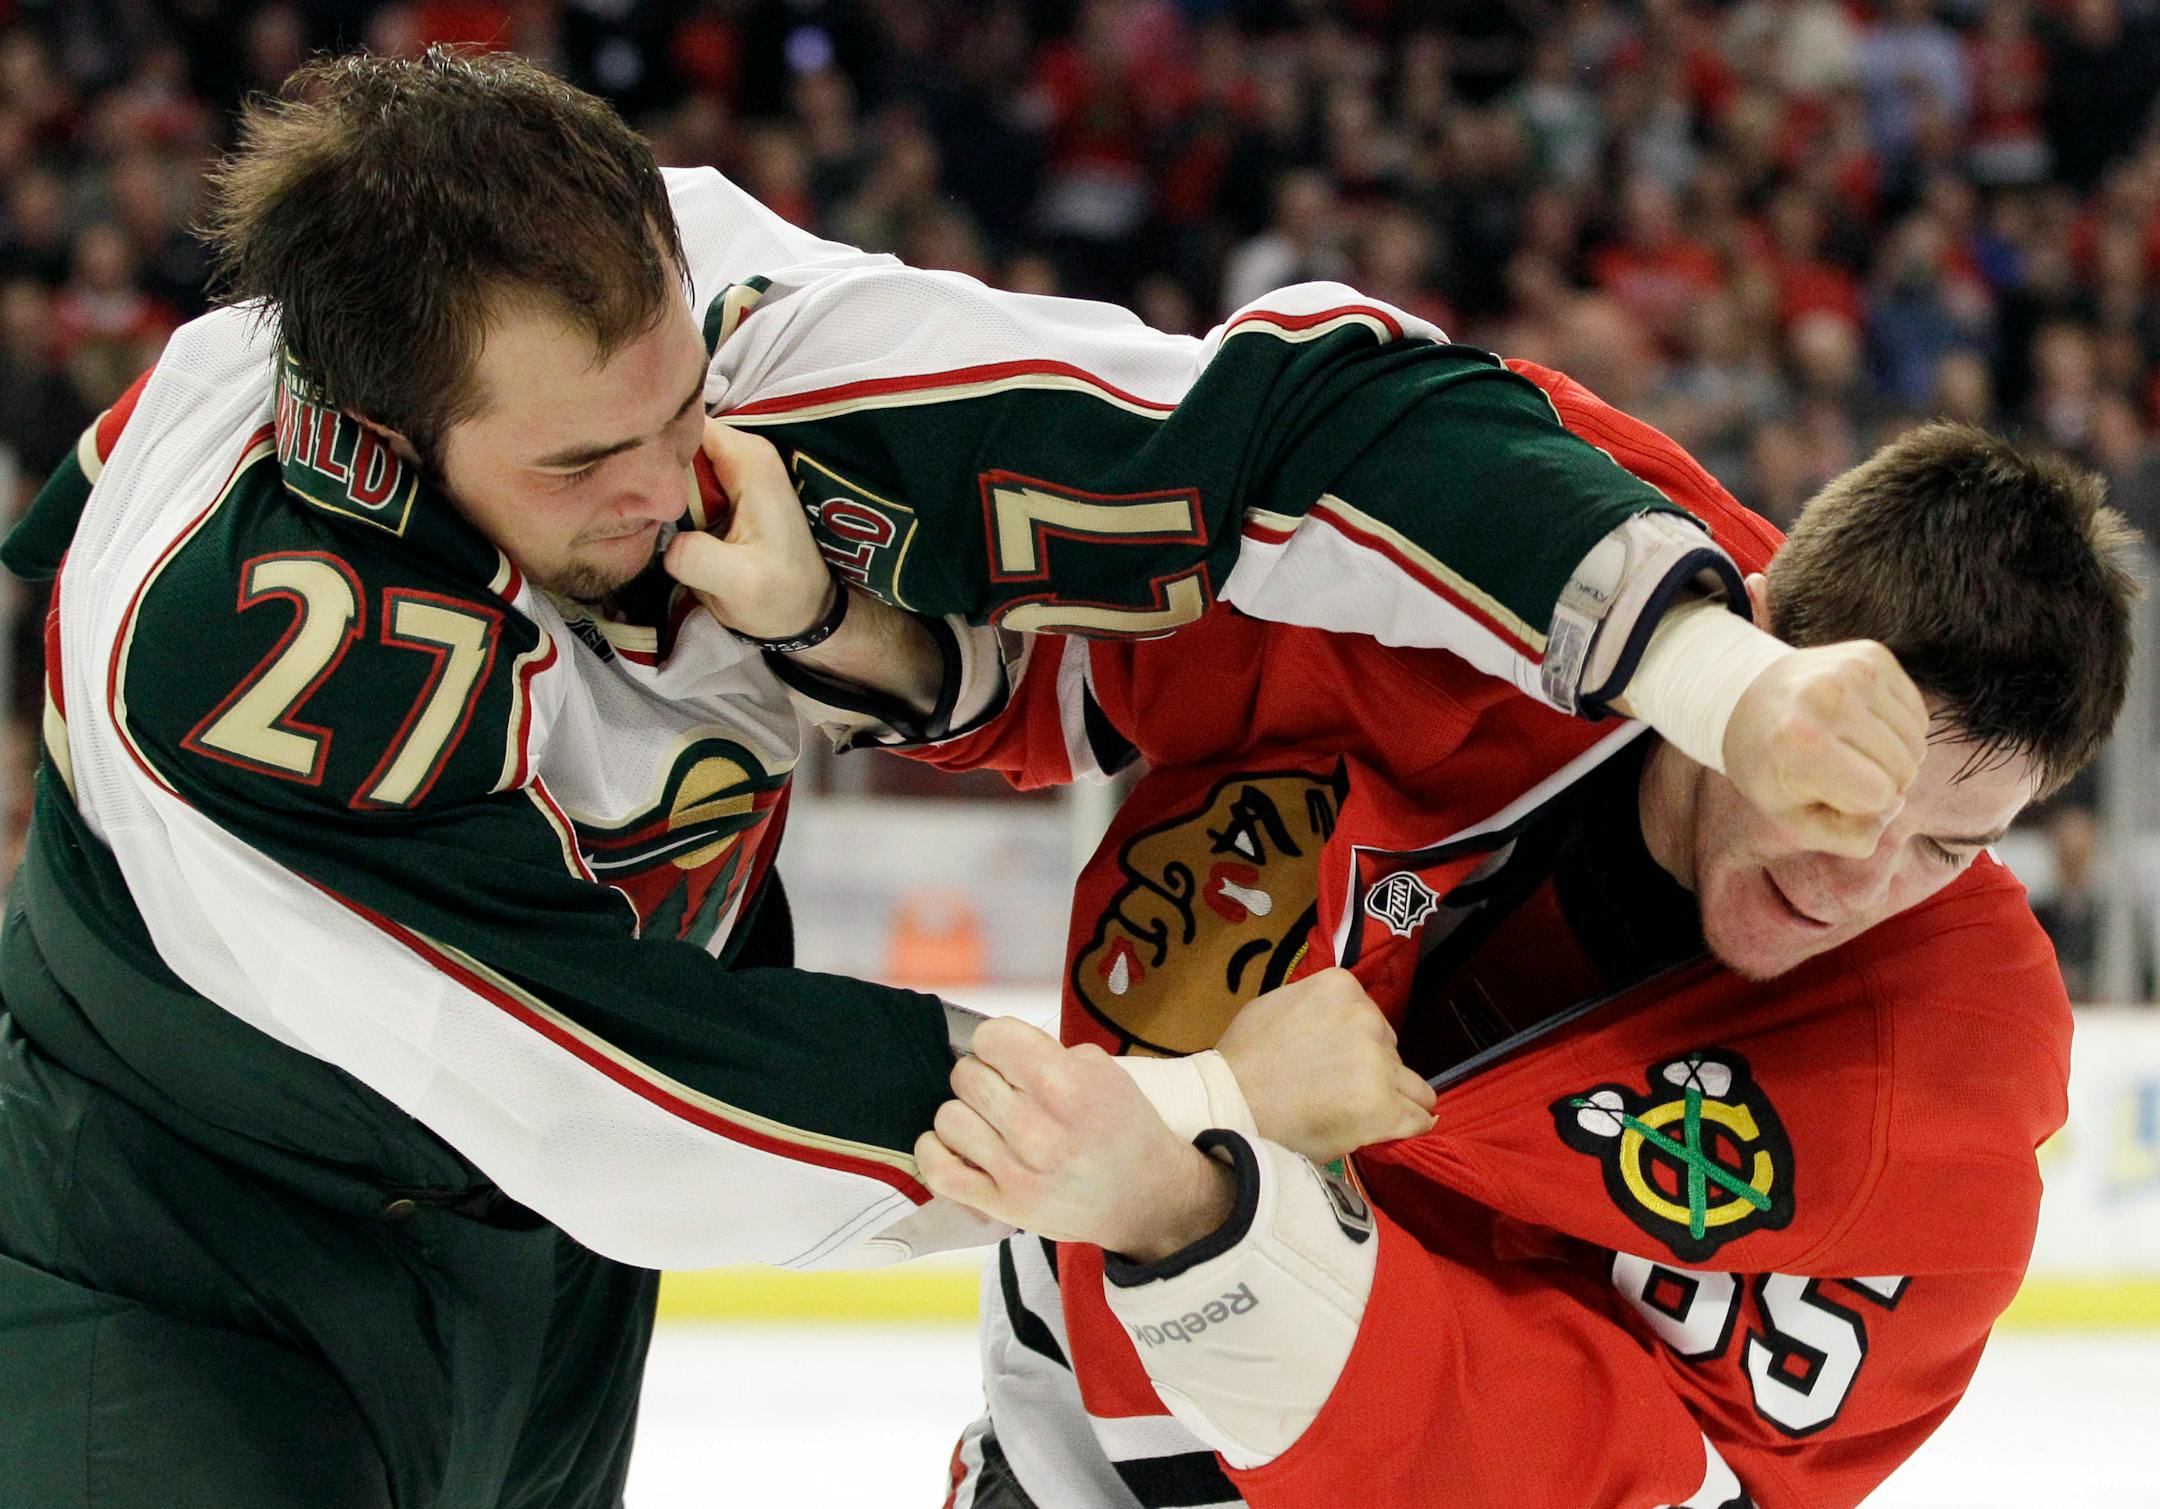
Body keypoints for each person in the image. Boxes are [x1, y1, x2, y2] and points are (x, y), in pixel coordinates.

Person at [0, 47, 1937, 1509]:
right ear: (383, 439)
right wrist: (1194, 1098)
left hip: (530, 1273)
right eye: (585, 463)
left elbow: (1294, 423)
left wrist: (1723, 673)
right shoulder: (238, 678)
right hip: (174, 1217)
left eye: (676, 409)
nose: (669, 485)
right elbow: (635, 1096)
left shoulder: (741, 344)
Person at [900, 373, 2137, 1508]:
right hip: (1079, 1388)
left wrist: (1207, 1202)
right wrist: (883, 645)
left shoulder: (1942, 1083)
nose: (1860, 875)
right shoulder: (1523, 552)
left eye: (1947, 846)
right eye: (1850, 786)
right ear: (1753, 644)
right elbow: (1080, 610)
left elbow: (1682, 1479)